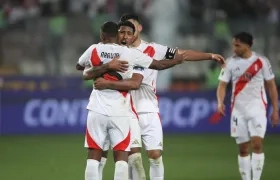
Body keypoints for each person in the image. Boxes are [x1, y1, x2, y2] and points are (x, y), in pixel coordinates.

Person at [91, 14, 226, 180]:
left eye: (131, 27)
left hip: (148, 107)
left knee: (155, 155)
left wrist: (209, 56)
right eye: (122, 30)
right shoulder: (116, 51)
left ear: (138, 28)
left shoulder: (153, 49)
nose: (126, 33)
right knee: (133, 157)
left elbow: (181, 54)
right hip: (125, 109)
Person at [79, 21, 184, 180]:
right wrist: (176, 61)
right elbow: (159, 65)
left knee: (94, 155)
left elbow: (81, 67)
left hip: (96, 109)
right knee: (121, 157)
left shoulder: (94, 49)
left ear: (102, 35)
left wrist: (105, 66)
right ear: (118, 35)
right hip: (120, 112)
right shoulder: (130, 53)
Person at [217, 32, 279, 180]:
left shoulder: (261, 62)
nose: (234, 48)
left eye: (237, 45)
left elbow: (271, 86)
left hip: (258, 109)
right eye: (233, 44)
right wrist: (220, 102)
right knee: (243, 148)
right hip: (238, 111)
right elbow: (222, 86)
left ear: (247, 45)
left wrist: (275, 109)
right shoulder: (230, 63)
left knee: (257, 144)